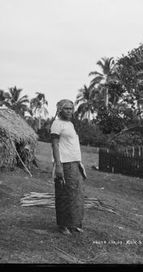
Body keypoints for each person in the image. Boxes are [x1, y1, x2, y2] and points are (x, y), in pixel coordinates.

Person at [50, 99, 86, 235]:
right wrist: (58, 165)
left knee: (76, 195)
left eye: (71, 108)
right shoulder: (56, 124)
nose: (70, 111)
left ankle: (74, 223)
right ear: (60, 110)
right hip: (64, 164)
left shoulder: (70, 124)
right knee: (64, 194)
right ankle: (63, 225)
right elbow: (54, 145)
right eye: (66, 109)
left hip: (75, 163)